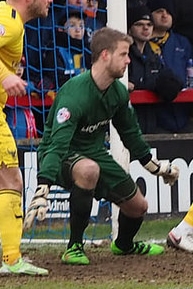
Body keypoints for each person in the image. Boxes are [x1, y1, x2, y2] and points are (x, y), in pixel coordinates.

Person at [23, 27, 179, 266]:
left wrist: (156, 168)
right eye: (124, 54)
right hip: (63, 153)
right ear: (105, 55)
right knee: (88, 170)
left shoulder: (118, 92)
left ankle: (124, 245)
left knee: (138, 206)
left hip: (94, 154)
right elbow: (56, 144)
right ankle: (74, 246)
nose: (129, 60)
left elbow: (131, 134)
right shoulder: (75, 94)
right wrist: (43, 187)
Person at [0, 0, 53, 276]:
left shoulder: (11, 22)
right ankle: (10, 259)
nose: (51, 1)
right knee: (10, 179)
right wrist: (4, 76)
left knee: (9, 179)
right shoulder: (7, 20)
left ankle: (11, 257)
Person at [127, 5, 183, 133]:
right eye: (139, 24)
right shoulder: (123, 56)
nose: (146, 28)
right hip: (127, 128)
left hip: (151, 125)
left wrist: (145, 85)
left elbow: (175, 82)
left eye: (149, 24)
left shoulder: (153, 56)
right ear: (129, 29)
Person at [146, 0, 193, 133]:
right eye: (159, 11)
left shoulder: (183, 42)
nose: (165, 15)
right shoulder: (141, 44)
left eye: (168, 12)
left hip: (184, 116)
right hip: (155, 120)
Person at [42, 10, 91, 92]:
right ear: (61, 29)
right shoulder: (55, 51)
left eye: (81, 26)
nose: (78, 30)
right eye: (72, 25)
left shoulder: (88, 50)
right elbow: (58, 80)